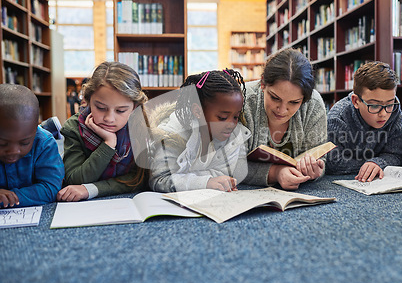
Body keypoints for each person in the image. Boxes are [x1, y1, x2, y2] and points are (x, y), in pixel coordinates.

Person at [57, 61, 148, 202]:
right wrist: (108, 144)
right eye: (100, 107)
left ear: (135, 107)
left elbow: (138, 179)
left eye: (121, 111)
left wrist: (91, 189)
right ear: (88, 100)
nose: (109, 119)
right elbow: (75, 180)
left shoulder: (141, 126)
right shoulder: (74, 128)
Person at [149, 69, 250, 192]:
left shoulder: (232, 137)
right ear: (197, 111)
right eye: (222, 117)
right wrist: (206, 182)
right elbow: (159, 179)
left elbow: (222, 173)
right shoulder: (172, 134)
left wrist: (208, 181)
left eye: (236, 117)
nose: (232, 124)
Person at [243, 48, 327, 190]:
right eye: (275, 98)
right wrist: (275, 173)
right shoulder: (242, 101)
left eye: (294, 102)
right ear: (262, 84)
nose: (281, 110)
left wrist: (316, 170)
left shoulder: (314, 104)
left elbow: (320, 157)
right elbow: (229, 164)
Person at [325, 61, 402, 181]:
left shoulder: (394, 108)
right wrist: (369, 165)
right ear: (356, 101)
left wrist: (378, 163)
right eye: (374, 105)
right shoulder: (338, 118)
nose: (383, 114)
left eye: (389, 104)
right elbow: (333, 163)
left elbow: (397, 154)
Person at [0, 84, 64, 207]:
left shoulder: (44, 143)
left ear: (35, 129)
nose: (13, 151)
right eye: (2, 143)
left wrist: (10, 197)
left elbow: (51, 188)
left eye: (24, 143)